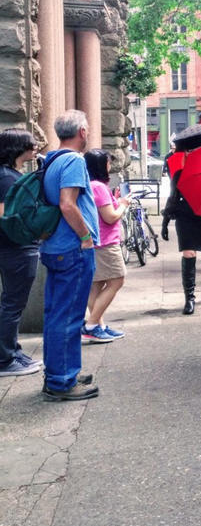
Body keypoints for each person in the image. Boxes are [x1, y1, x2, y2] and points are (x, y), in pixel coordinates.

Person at [39, 110, 100, 400]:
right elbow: (67, 204)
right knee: (68, 316)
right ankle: (62, 381)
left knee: (56, 313)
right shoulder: (74, 160)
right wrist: (86, 237)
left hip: (54, 247)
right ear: (82, 132)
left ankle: (59, 373)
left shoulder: (52, 160)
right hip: (73, 249)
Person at [0, 129, 42, 377]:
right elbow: (6, 215)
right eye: (31, 143)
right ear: (18, 148)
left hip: (15, 247)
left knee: (12, 304)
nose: (35, 146)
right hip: (15, 248)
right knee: (13, 304)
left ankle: (12, 351)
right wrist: (30, 232)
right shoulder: (6, 178)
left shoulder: (9, 175)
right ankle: (5, 360)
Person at [162, 152, 201, 315]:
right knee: (188, 253)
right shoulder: (180, 175)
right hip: (186, 217)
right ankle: (189, 298)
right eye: (189, 154)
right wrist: (165, 222)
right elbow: (172, 198)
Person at [81, 150, 128, 343]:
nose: (110, 166)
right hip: (106, 242)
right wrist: (123, 204)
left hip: (96, 241)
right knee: (117, 279)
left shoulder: (89, 185)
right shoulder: (99, 187)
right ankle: (91, 325)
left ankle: (98, 325)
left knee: (96, 284)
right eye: (108, 163)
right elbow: (110, 217)